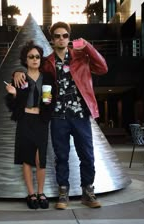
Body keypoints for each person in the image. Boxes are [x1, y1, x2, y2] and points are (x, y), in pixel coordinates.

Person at [13, 22, 108, 209]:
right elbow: (33, 71)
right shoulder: (47, 62)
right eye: (57, 36)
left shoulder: (81, 57)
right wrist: (17, 71)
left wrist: (87, 45)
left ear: (69, 37)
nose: (61, 39)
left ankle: (87, 191)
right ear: (52, 39)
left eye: (65, 35)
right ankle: (62, 193)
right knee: (61, 156)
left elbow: (103, 68)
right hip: (57, 117)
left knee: (87, 155)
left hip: (80, 114)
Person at [5, 40, 56, 209]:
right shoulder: (20, 78)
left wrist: (48, 105)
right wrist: (13, 94)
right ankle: (31, 194)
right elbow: (11, 106)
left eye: (37, 57)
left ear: (41, 59)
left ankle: (41, 193)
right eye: (31, 56)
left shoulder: (47, 77)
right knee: (27, 158)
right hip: (25, 120)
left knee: (40, 158)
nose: (35, 59)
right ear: (25, 59)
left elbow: (52, 100)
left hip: (41, 120)